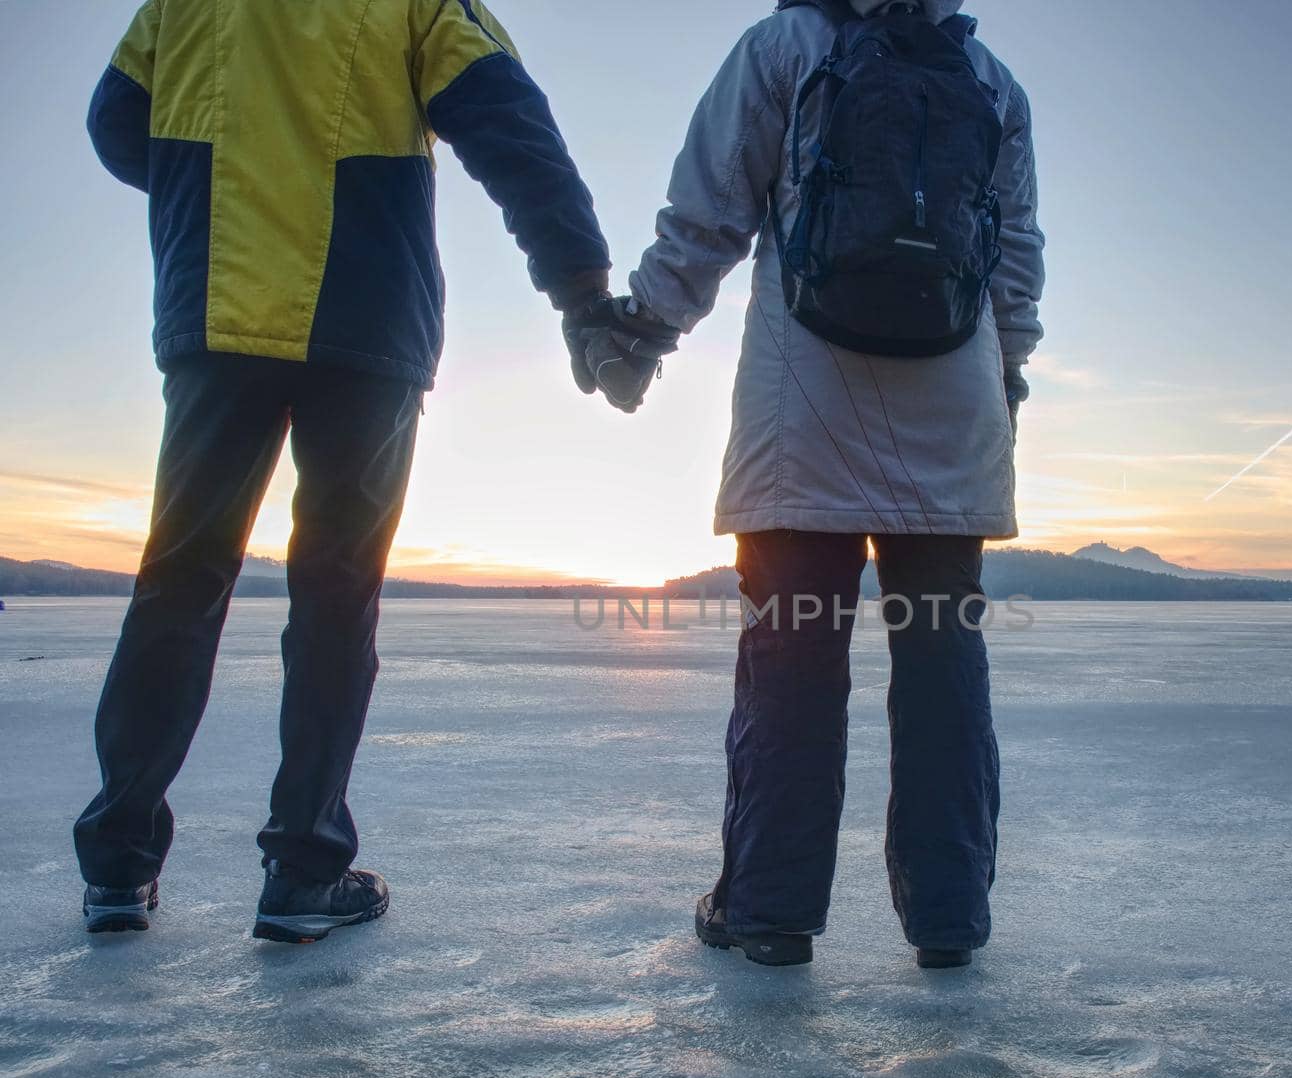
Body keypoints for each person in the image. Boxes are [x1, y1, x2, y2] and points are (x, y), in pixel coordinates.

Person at [76, 0, 611, 941]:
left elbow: (116, 124)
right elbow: (507, 123)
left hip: (217, 312)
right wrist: (580, 290)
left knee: (180, 581)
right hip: (364, 326)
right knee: (335, 592)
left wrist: (221, 191)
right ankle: (303, 870)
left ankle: (119, 864)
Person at [571, 0, 1045, 967]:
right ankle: (950, 919)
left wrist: (645, 330)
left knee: (792, 656)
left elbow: (709, 212)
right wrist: (1008, 370)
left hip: (806, 407)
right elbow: (1016, 255)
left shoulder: (783, 47)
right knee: (942, 658)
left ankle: (769, 913)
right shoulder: (989, 79)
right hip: (952, 408)